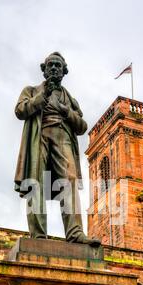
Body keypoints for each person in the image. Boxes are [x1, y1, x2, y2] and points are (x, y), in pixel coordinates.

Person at [14, 52, 101, 246]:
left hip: (64, 139)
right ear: (44, 70)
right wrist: (43, 96)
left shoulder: (70, 99)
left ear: (64, 71)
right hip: (39, 137)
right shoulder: (31, 90)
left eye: (58, 66)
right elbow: (20, 111)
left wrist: (65, 110)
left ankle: (75, 233)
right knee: (35, 183)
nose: (54, 68)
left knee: (68, 181)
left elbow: (81, 126)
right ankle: (38, 235)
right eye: (51, 65)